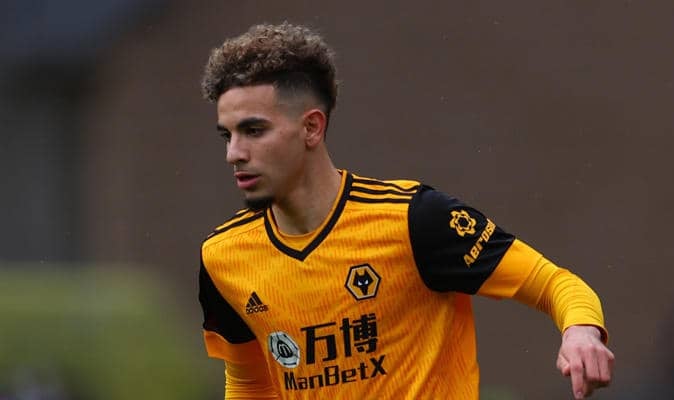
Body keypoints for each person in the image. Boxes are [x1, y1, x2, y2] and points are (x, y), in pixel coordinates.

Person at [197, 22, 614, 399]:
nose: (234, 153)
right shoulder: (223, 256)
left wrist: (580, 331)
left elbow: (554, 283)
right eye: (226, 136)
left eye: (254, 130)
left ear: (311, 127)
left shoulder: (413, 219)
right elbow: (251, 384)